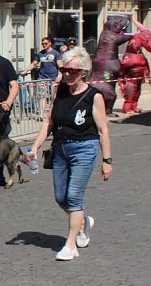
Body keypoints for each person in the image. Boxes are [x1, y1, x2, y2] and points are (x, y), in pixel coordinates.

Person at [26, 47, 113, 261]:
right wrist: (35, 147)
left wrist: (107, 160)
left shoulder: (94, 96)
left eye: (72, 71)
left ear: (84, 72)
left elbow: (103, 130)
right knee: (60, 197)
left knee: (74, 197)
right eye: (64, 69)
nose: (67, 74)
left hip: (85, 148)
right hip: (60, 148)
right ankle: (84, 221)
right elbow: (49, 121)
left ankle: (71, 244)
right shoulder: (61, 91)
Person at [92, 15, 131, 116]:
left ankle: (105, 110)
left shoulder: (104, 34)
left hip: (104, 68)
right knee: (110, 94)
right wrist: (134, 36)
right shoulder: (109, 36)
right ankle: (107, 111)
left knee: (108, 91)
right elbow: (120, 39)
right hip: (107, 66)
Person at [119, 19, 151, 113]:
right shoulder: (134, 49)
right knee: (131, 87)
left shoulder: (138, 47)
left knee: (137, 88)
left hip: (139, 70)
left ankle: (133, 105)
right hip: (133, 70)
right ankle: (128, 107)